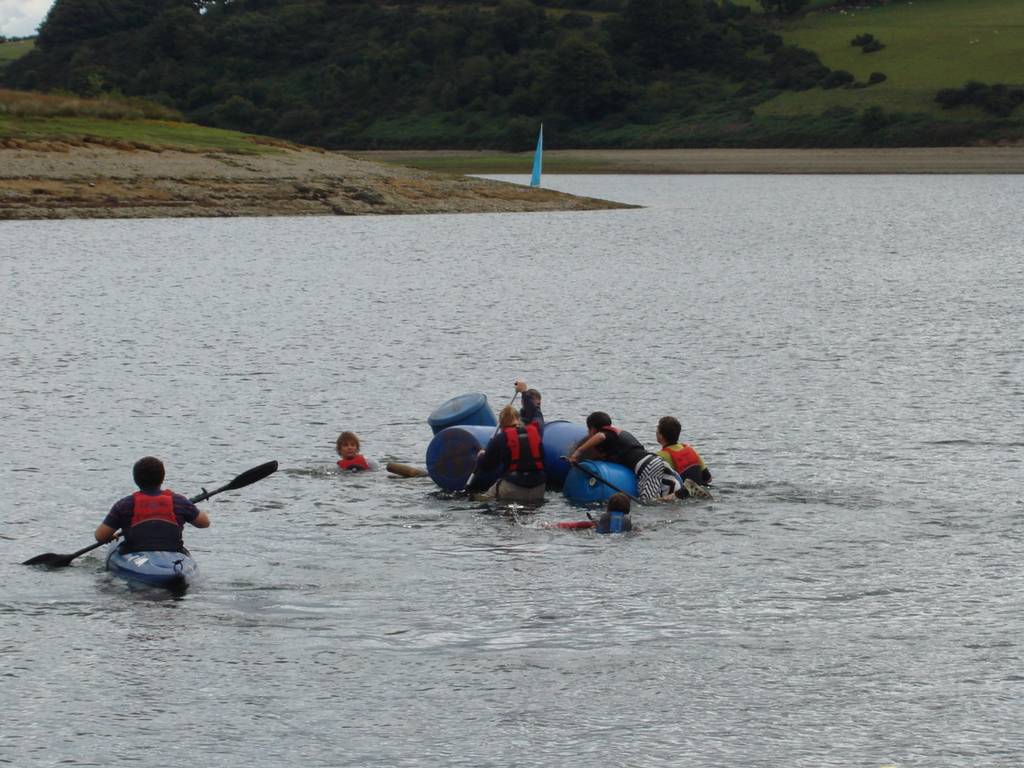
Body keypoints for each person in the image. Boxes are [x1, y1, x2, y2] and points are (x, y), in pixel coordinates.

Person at [95, 456, 209, 553]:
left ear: (135, 479)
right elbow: (204, 523)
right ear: (162, 478)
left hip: (135, 552)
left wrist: (110, 537)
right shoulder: (179, 502)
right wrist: (189, 508)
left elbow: (100, 536)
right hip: (172, 553)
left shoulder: (124, 505)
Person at [568, 411, 680, 502]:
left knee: (648, 502)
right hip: (656, 461)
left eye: (589, 430)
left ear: (592, 429)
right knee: (671, 495)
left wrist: (578, 452)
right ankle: (684, 492)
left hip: (647, 467)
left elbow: (601, 436)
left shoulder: (606, 434)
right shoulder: (619, 436)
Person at [466, 403, 545, 502]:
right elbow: (542, 458)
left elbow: (487, 466)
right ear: (518, 419)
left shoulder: (501, 438)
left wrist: (481, 455)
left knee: (481, 499)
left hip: (513, 488)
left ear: (502, 423)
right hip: (538, 488)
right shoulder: (535, 433)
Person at [655, 415, 713, 499]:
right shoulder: (690, 450)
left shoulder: (659, 457)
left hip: (682, 496)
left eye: (657, 430)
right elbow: (708, 479)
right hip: (701, 492)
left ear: (660, 436)